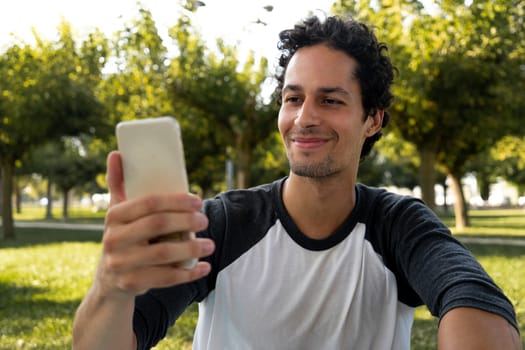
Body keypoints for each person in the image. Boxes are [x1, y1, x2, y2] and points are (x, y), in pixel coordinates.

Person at [73, 14, 521, 350]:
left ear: (372, 119)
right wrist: (111, 287)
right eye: (293, 98)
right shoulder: (224, 223)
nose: (304, 118)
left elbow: (474, 301)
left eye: (330, 100)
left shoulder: (397, 224)